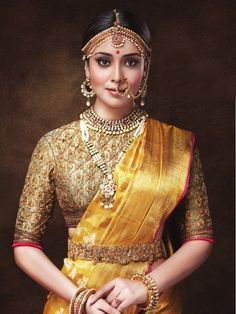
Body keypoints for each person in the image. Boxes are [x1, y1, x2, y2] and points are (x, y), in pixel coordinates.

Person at [12, 9, 214, 314]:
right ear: (87, 67)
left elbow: (200, 238)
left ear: (145, 69)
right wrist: (80, 298)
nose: (117, 77)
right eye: (104, 61)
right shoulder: (53, 145)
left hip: (153, 299)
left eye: (130, 62)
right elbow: (25, 245)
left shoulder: (177, 145)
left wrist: (145, 286)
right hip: (75, 300)